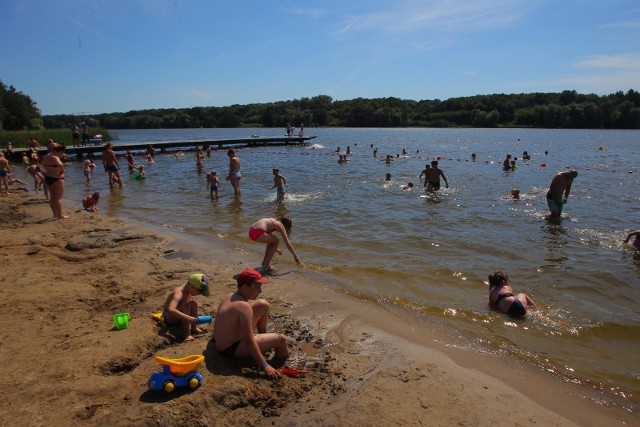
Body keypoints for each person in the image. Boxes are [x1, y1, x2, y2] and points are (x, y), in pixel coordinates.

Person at [212, 269, 288, 380]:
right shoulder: (244, 306)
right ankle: (281, 361)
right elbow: (248, 340)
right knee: (281, 340)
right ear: (244, 287)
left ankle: (264, 340)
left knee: (263, 304)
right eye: (257, 287)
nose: (260, 291)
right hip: (230, 349)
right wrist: (264, 365)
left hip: (223, 340)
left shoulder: (230, 296)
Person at [163, 273, 210, 342]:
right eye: (199, 292)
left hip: (178, 315)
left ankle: (194, 328)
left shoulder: (188, 290)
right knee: (186, 305)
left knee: (194, 303)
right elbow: (170, 310)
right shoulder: (179, 292)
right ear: (191, 287)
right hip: (168, 318)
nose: (199, 294)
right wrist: (188, 318)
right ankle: (186, 334)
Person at [41, 144, 68, 219]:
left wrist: (45, 172)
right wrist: (62, 171)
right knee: (58, 198)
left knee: (52, 197)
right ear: (58, 151)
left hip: (48, 177)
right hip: (57, 178)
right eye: (61, 153)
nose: (61, 154)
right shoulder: (55, 157)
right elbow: (60, 164)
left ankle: (55, 214)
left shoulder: (46, 156)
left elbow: (41, 166)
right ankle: (60, 215)